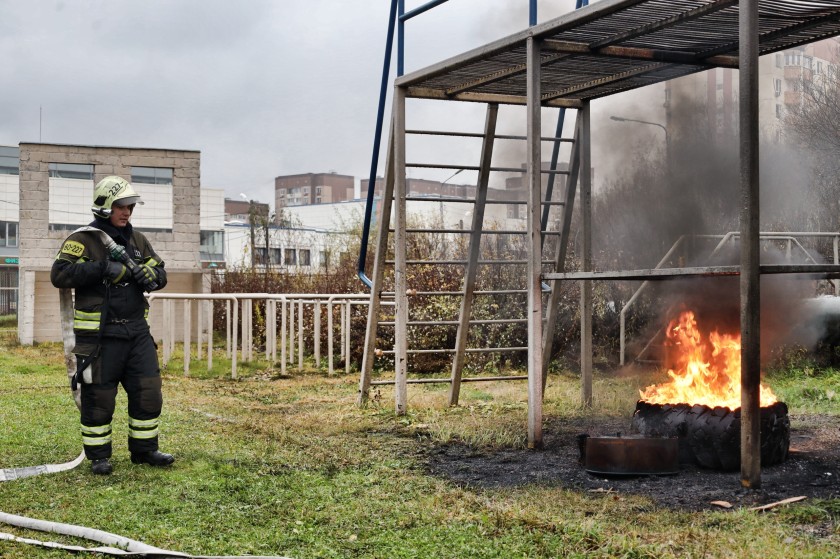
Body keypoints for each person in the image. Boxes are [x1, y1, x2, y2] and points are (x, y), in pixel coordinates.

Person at [51, 175, 174, 475]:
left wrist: (152, 276)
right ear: (105, 206)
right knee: (99, 396)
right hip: (100, 338)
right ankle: (99, 457)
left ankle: (145, 451)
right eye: (121, 206)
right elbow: (60, 274)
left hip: (137, 333)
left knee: (148, 391)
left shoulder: (138, 240)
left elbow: (161, 271)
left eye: (130, 207)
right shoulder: (82, 240)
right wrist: (104, 268)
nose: (127, 212)